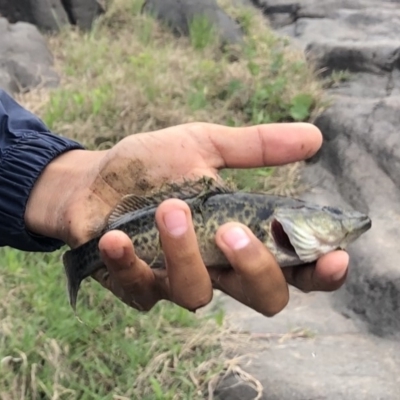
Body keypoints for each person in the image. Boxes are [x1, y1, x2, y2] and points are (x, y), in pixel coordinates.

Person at [0, 89, 349, 316]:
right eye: (330, 215)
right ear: (290, 218)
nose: (342, 222)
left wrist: (56, 183)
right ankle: (83, 262)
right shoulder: (271, 220)